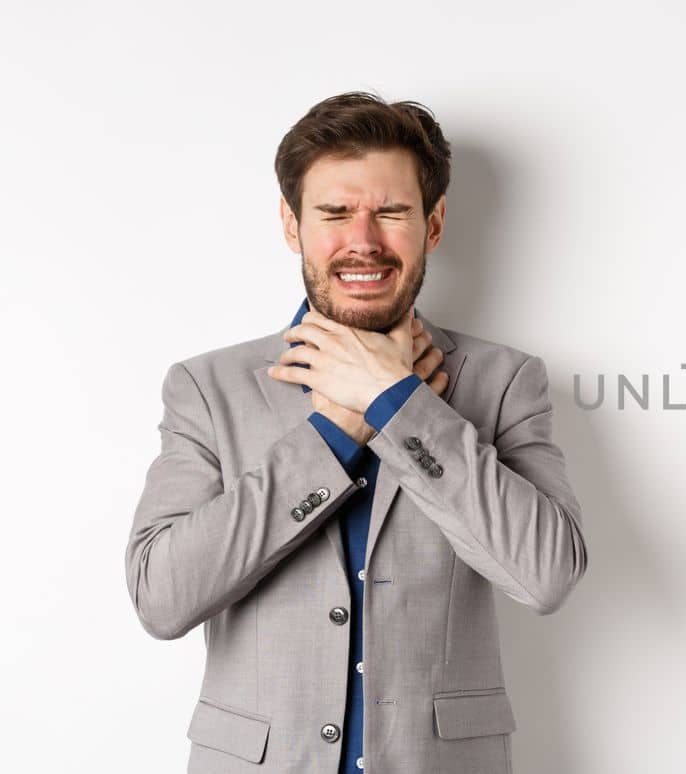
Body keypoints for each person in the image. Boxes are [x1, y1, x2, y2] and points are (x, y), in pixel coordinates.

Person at [123, 91, 588, 774]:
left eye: (391, 212)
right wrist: (340, 423)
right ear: (292, 224)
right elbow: (161, 599)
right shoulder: (207, 387)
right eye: (335, 213)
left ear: (432, 226)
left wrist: (398, 403)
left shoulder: (506, 381)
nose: (362, 239)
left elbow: (548, 574)